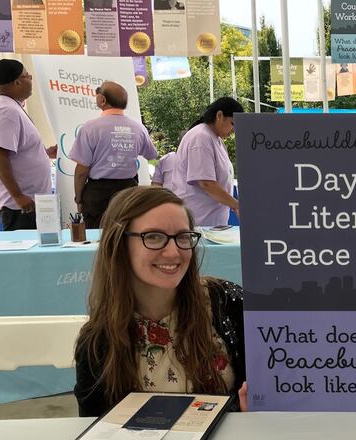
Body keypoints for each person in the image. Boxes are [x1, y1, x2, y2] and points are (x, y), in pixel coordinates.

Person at [74, 186, 246, 417]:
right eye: (154, 237)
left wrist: (249, 411)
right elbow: (93, 424)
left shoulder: (227, 303)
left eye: (183, 237)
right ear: (119, 244)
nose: (173, 252)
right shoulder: (97, 342)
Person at [70, 81, 157, 228]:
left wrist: (79, 198)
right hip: (128, 192)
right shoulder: (138, 128)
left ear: (103, 100)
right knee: (126, 233)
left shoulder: (90, 128)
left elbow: (82, 170)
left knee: (97, 236)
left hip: (98, 194)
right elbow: (151, 155)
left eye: (98, 91)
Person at [0, 59, 56, 231]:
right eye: (28, 76)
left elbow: (14, 151)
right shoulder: (6, 112)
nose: (31, 80)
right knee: (27, 248)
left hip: (29, 202)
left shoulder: (12, 107)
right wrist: (18, 196)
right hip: (21, 207)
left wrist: (44, 153)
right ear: (17, 82)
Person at [172, 97, 241, 226]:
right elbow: (206, 183)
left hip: (211, 221)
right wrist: (236, 205)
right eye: (232, 124)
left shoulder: (215, 139)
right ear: (219, 116)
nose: (234, 130)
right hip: (199, 221)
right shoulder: (201, 137)